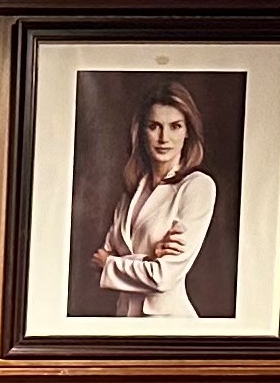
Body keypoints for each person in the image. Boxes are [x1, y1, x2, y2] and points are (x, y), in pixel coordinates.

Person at [92, 82, 218, 320]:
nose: (164, 138)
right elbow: (99, 258)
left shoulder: (197, 186)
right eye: (154, 126)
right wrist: (148, 260)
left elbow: (163, 277)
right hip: (123, 323)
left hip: (169, 327)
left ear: (187, 131)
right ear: (141, 131)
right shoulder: (132, 189)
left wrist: (114, 264)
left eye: (175, 126)